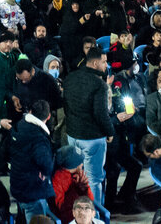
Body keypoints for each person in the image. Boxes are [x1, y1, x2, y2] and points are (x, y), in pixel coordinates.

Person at [62, 49, 111, 207]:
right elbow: (101, 114)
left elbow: (66, 106)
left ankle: (77, 213)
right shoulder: (99, 85)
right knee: (93, 180)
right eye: (104, 62)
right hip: (92, 139)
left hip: (72, 135)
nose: (106, 65)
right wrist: (110, 131)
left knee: (76, 178)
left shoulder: (70, 78)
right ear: (95, 63)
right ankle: (93, 215)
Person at [10, 100, 57, 223]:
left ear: (31, 112)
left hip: (17, 183)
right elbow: (46, 164)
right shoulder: (39, 137)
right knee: (36, 219)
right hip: (32, 189)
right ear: (48, 116)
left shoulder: (20, 125)